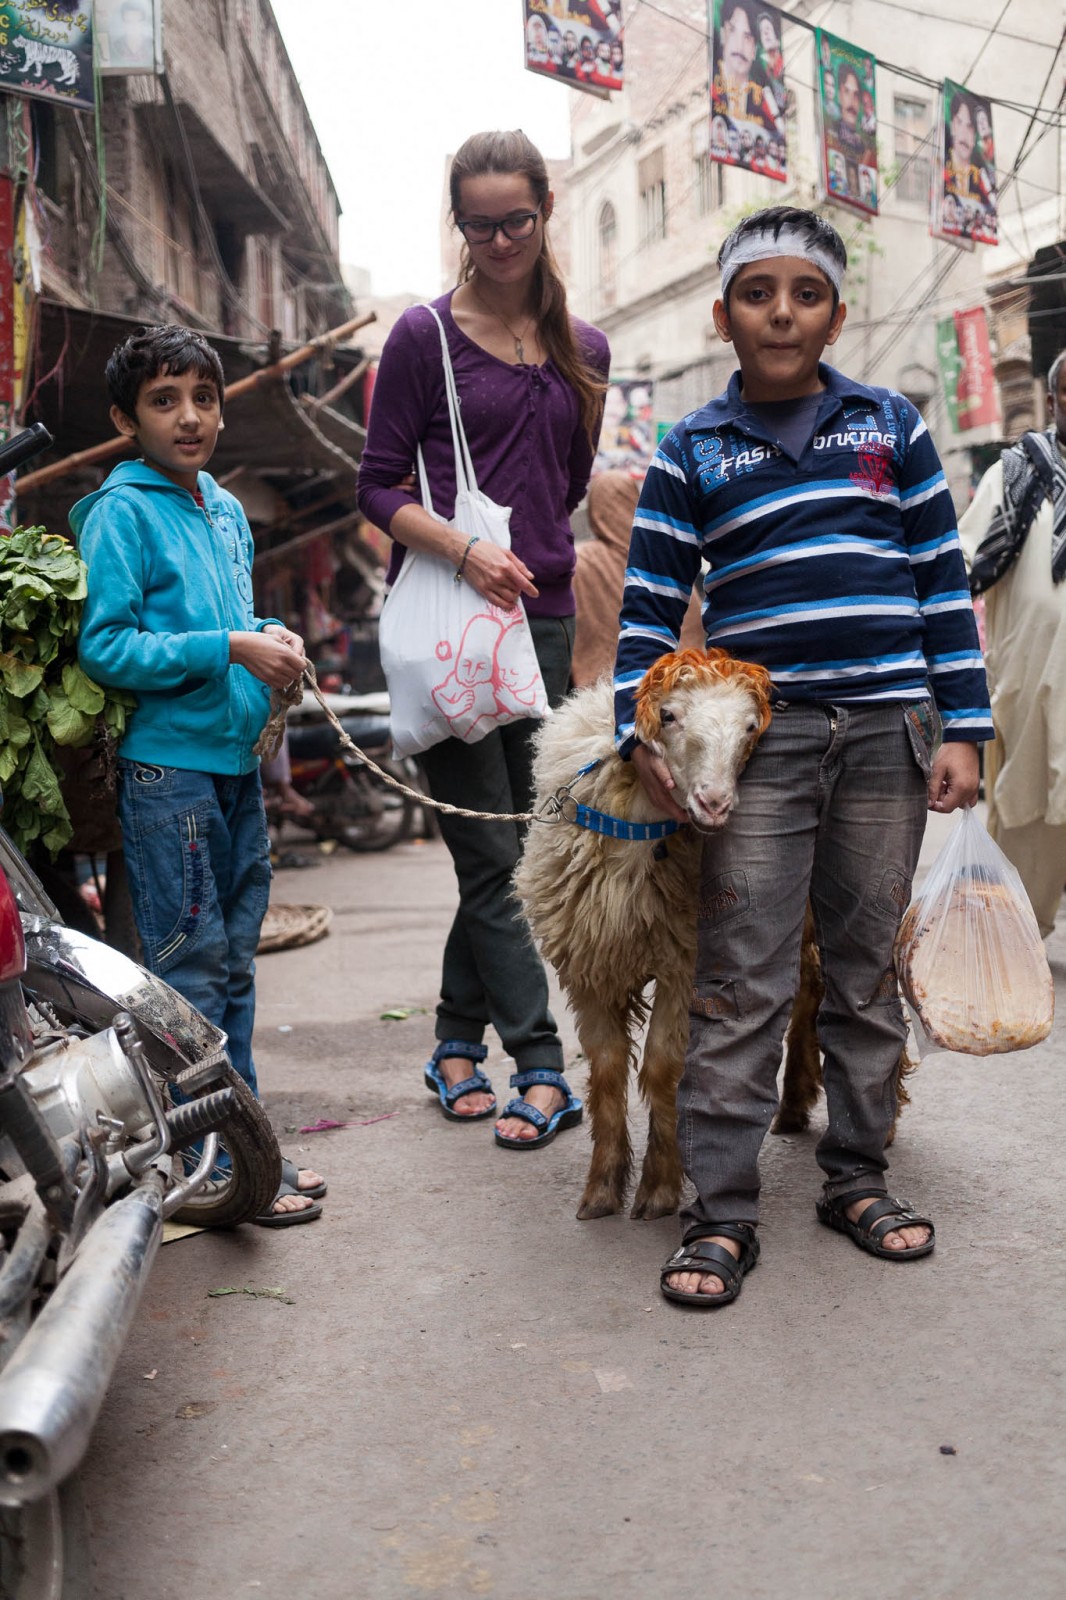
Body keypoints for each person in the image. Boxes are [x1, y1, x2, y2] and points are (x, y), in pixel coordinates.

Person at [611, 207, 992, 1308]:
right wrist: (649, 736)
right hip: (756, 747)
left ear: (837, 308)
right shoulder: (691, 449)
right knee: (741, 979)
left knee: (864, 970)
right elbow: (649, 610)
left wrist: (961, 726)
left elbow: (938, 586)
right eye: (756, 292)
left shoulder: (889, 427)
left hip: (888, 732)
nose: (781, 312)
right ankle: (721, 1211)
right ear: (721, 311)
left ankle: (855, 1175)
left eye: (806, 292)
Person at [356, 130, 609, 1148]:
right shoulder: (423, 336)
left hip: (544, 624)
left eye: (515, 219)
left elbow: (569, 485)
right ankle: (541, 1064)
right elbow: (376, 486)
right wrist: (464, 551)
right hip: (458, 624)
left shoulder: (584, 347)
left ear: (546, 209)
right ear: (455, 223)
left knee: (522, 845)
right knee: (495, 859)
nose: (497, 240)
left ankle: (455, 1040)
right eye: (477, 222)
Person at [72, 325, 326, 1226]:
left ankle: (247, 1153)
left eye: (204, 399)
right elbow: (106, 647)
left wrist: (272, 642)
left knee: (237, 967)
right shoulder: (119, 511)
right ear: (126, 418)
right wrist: (229, 643)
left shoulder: (221, 506)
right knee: (190, 980)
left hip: (233, 769)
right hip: (166, 777)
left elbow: (237, 620)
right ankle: (213, 1169)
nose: (189, 418)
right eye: (164, 401)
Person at [959, 352, 1066, 936]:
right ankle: (1013, 933)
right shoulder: (1017, 475)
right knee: (1025, 811)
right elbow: (963, 563)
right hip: (1028, 687)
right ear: (1052, 402)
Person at [572, 471, 704, 690]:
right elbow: (693, 623)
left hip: (602, 690)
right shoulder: (662, 556)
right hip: (674, 684)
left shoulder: (581, 561)